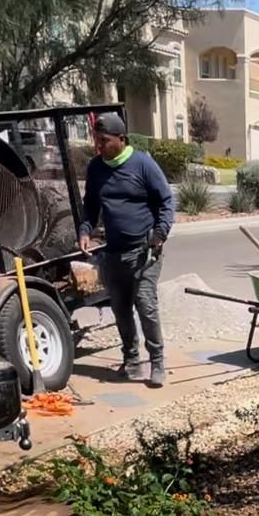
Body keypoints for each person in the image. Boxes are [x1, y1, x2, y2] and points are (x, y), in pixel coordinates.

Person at [79, 113, 175, 388]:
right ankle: (131, 360)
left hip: (144, 251)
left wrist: (160, 234)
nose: (99, 146)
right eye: (96, 140)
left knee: (145, 304)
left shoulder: (142, 164)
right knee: (120, 309)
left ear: (121, 140)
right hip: (113, 253)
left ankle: (157, 362)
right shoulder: (96, 168)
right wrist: (84, 231)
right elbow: (91, 206)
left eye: (104, 141)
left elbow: (167, 201)